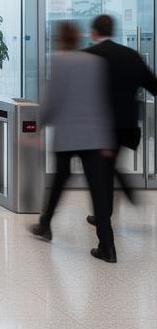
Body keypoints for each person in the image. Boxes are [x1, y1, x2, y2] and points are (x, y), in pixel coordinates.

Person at [30, 20, 117, 263]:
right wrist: (107, 138)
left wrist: (38, 126)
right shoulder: (95, 62)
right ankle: (107, 246)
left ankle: (45, 224)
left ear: (60, 39)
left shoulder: (58, 61)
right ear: (77, 39)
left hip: (68, 136)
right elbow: (102, 101)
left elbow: (52, 99)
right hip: (95, 136)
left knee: (59, 182)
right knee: (98, 191)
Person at [85, 13, 157, 206]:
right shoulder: (131, 56)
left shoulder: (88, 56)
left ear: (94, 33)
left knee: (102, 168)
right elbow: (153, 86)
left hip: (98, 125)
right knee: (108, 164)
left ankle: (108, 209)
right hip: (126, 124)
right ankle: (110, 207)